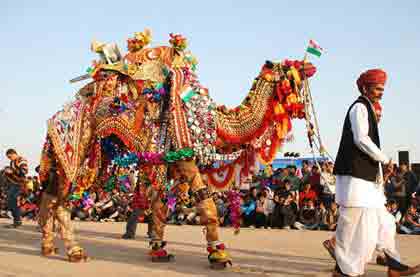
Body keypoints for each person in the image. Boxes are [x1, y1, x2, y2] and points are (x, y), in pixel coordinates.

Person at [331, 69, 420, 276]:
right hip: (355, 181)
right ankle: (343, 271)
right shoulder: (359, 108)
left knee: (386, 223)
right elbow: (361, 139)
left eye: (382, 89)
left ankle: (394, 266)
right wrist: (385, 158)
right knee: (353, 228)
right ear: (365, 88)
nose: (381, 92)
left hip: (368, 184)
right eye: (378, 88)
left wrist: (382, 170)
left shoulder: (368, 109)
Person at [3, 149, 29, 228]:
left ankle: (17, 221)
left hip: (20, 184)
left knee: (13, 200)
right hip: (14, 183)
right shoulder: (12, 162)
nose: (9, 159)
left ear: (14, 154)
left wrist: (12, 171)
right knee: (10, 201)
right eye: (8, 157)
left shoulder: (21, 159)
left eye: (10, 157)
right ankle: (17, 220)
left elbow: (24, 171)